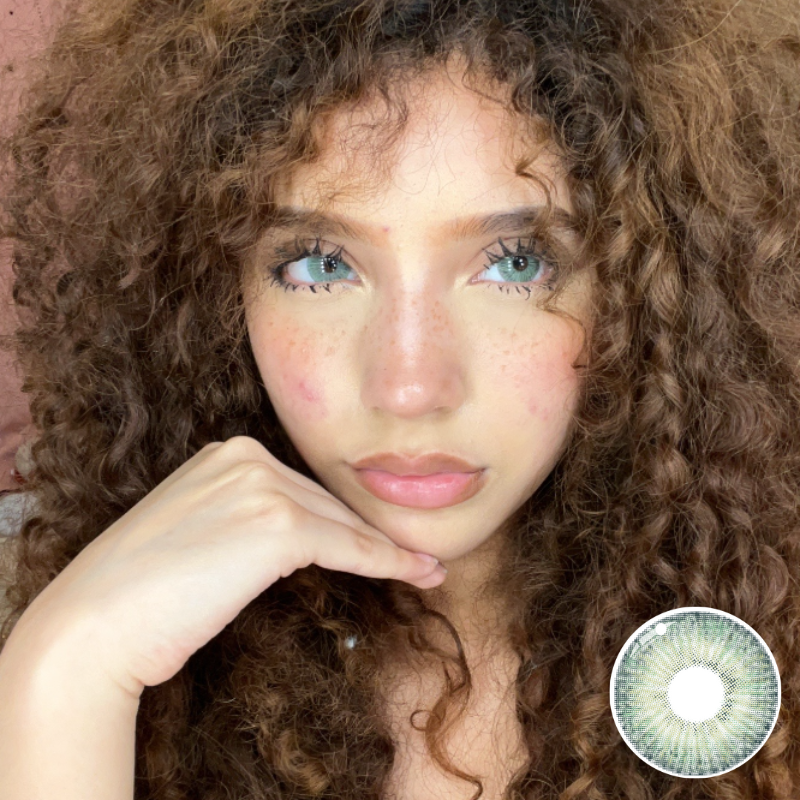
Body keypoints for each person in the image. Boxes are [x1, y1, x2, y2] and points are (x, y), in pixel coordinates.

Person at [0, 0, 799, 797]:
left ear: (651, 288)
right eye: (319, 264)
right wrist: (67, 673)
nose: (409, 388)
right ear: (214, 297)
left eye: (516, 263)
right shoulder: (85, 635)